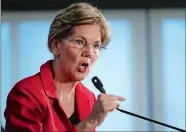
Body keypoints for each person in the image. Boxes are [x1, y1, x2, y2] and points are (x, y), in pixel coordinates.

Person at [4, 2, 125, 132]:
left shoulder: (88, 98)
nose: (89, 53)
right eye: (79, 42)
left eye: (96, 46)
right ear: (55, 46)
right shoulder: (27, 93)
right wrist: (89, 123)